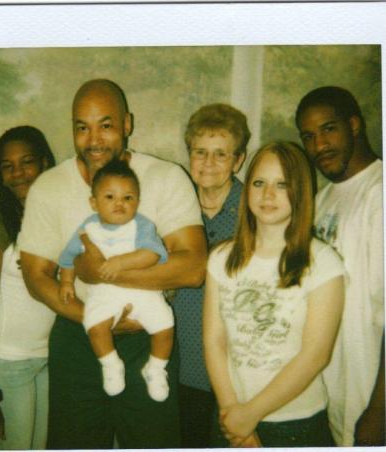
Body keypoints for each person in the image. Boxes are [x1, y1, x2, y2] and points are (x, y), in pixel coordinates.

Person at [18, 78, 207, 449]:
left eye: (105, 125)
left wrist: (102, 271)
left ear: (127, 124)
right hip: (77, 335)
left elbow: (193, 268)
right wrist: (93, 317)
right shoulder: (49, 187)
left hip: (149, 338)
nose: (94, 140)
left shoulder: (166, 177)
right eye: (82, 128)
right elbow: (35, 276)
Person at [203, 141, 345, 448]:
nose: (268, 195)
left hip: (295, 426)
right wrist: (232, 412)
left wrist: (250, 414)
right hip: (229, 417)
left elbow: (315, 355)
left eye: (282, 184)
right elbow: (214, 341)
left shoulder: (323, 262)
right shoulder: (220, 258)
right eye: (259, 183)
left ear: (300, 192)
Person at [295, 86, 385, 446]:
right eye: (308, 136)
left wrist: (379, 413)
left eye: (328, 129)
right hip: (331, 395)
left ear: (354, 125)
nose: (319, 145)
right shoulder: (322, 200)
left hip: (369, 399)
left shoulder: (379, 193)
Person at [59, 158, 174, 402]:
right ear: (94, 203)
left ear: (137, 202)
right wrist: (67, 282)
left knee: (165, 326)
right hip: (104, 293)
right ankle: (111, 364)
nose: (119, 203)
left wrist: (121, 263)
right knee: (94, 326)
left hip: (143, 290)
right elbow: (68, 257)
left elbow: (152, 254)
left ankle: (155, 368)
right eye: (110, 197)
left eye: (128, 198)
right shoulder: (87, 229)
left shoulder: (142, 225)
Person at [0, 126, 57, 450]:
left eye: (27, 162)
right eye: (7, 166)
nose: (18, 173)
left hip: (46, 359)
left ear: (45, 163)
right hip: (9, 364)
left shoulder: (56, 217)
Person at [172, 103, 250, 447]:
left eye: (221, 154)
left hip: (235, 369)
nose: (208, 162)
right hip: (180, 362)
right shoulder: (175, 203)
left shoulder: (253, 210)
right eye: (200, 152)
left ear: (238, 160)